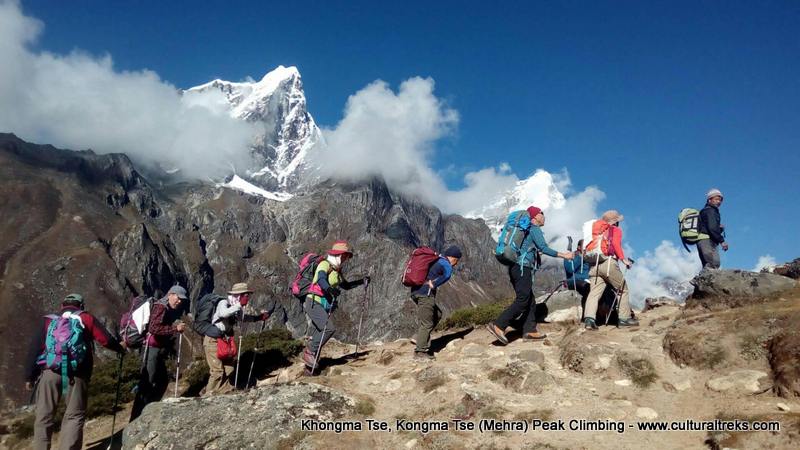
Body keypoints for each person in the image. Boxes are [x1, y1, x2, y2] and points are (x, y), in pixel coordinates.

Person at [25, 294, 125, 450]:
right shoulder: (85, 318)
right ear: (81, 305)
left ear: (62, 305)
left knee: (44, 415)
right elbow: (105, 339)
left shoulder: (49, 320)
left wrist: (29, 377)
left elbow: (35, 348)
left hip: (51, 372)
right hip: (77, 373)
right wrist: (119, 348)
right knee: (74, 415)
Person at [486, 206, 574, 344]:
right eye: (541, 213)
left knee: (530, 301)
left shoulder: (527, 231)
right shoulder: (534, 229)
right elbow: (543, 248)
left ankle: (529, 330)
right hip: (523, 268)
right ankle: (499, 325)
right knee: (523, 299)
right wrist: (564, 255)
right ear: (535, 217)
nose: (544, 216)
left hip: (516, 268)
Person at [302, 241, 369, 374]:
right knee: (328, 329)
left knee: (319, 336)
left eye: (346, 257)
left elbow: (346, 286)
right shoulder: (324, 264)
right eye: (344, 256)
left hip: (323, 305)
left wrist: (362, 281)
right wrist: (329, 289)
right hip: (314, 302)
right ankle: (309, 352)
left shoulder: (336, 270)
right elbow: (321, 279)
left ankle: (310, 371)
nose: (345, 259)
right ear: (338, 255)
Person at [129, 286, 187, 420]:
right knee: (147, 383)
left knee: (160, 381)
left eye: (181, 300)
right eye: (178, 298)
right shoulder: (161, 306)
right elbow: (154, 328)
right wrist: (175, 328)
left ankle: (148, 411)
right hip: (151, 350)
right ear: (171, 294)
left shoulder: (163, 307)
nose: (179, 302)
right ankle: (137, 418)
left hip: (155, 349)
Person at [203, 282, 269, 395]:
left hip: (224, 340)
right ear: (238, 295)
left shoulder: (235, 306)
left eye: (248, 295)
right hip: (213, 341)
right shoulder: (223, 302)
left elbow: (242, 318)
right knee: (217, 371)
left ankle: (222, 392)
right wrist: (238, 305)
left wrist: (258, 318)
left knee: (229, 369)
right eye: (245, 295)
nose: (247, 297)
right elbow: (223, 314)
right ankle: (209, 396)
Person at [583, 210, 638, 330]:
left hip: (594, 265)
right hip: (608, 263)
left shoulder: (595, 232)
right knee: (622, 289)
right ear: (615, 222)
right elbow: (616, 245)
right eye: (618, 221)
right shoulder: (615, 230)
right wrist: (623, 260)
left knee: (594, 293)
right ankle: (624, 318)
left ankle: (589, 320)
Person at [410, 245, 462, 360]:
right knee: (427, 323)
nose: (456, 263)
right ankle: (420, 352)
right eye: (456, 260)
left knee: (437, 314)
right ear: (453, 258)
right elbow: (447, 274)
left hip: (415, 292)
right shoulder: (445, 263)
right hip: (425, 294)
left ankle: (418, 337)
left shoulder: (436, 259)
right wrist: (435, 284)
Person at [697, 188, 728, 269]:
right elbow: (712, 228)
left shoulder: (706, 211)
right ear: (709, 200)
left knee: (708, 265)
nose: (719, 202)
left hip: (702, 240)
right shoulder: (711, 211)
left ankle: (701, 281)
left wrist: (719, 227)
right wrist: (722, 241)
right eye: (717, 199)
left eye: (720, 200)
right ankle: (705, 281)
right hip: (707, 240)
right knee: (714, 263)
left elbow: (709, 226)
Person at [564, 239, 591, 316]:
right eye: (585, 246)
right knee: (587, 288)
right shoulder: (571, 256)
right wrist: (580, 257)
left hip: (586, 281)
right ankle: (585, 315)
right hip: (573, 281)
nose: (587, 248)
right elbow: (570, 269)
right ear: (579, 247)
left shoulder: (589, 258)